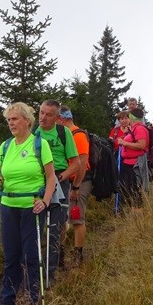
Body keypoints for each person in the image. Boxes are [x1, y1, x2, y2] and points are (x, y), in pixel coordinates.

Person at [0, 102, 56, 305]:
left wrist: (45, 202)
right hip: (9, 206)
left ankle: (32, 300)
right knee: (11, 256)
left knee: (30, 255)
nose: (11, 123)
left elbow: (50, 178)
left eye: (15, 119)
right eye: (9, 119)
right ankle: (7, 301)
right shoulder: (5, 146)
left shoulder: (40, 144)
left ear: (27, 121)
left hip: (31, 207)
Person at [33, 100, 79, 283]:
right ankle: (34, 271)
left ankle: (49, 275)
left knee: (55, 229)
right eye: (41, 113)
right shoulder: (33, 133)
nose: (43, 117)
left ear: (57, 117)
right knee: (36, 227)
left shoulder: (63, 132)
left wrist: (60, 178)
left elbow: (76, 163)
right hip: (38, 181)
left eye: (48, 114)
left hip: (59, 180)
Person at [59, 106, 90, 269]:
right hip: (67, 181)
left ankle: (78, 255)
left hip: (80, 181)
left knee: (76, 218)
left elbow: (83, 163)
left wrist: (76, 187)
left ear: (61, 119)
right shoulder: (66, 134)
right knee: (63, 218)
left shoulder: (77, 136)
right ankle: (60, 253)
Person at [115, 111, 148, 208]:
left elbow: (142, 145)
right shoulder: (133, 129)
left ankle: (136, 214)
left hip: (134, 164)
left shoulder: (139, 128)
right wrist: (127, 135)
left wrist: (124, 143)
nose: (126, 119)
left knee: (135, 188)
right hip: (127, 163)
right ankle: (128, 211)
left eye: (128, 117)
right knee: (127, 188)